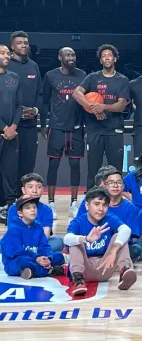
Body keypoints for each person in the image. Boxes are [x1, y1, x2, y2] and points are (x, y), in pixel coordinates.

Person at [72, 44, 129, 190]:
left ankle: (116, 200)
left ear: (115, 58)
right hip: (94, 130)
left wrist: (103, 107)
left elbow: (121, 106)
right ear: (100, 60)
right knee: (93, 170)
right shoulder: (92, 77)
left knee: (115, 170)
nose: (107, 58)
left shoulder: (122, 80)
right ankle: (91, 199)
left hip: (114, 130)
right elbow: (76, 93)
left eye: (109, 55)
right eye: (103, 56)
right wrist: (91, 107)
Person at [64, 187, 137, 296]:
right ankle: (78, 280)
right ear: (87, 206)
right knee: (75, 242)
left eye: (105, 205)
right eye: (97, 204)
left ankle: (125, 270)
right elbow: (66, 239)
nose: (101, 209)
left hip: (105, 266)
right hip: (85, 270)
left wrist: (113, 251)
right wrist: (85, 239)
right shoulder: (78, 221)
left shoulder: (109, 218)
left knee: (120, 235)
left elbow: (126, 230)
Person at [42, 47, 86, 219]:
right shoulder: (50, 76)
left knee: (75, 166)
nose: (71, 57)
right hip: (56, 126)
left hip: (76, 127)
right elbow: (45, 101)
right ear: (60, 57)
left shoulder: (83, 76)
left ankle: (73, 203)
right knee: (53, 165)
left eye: (73, 54)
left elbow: (87, 102)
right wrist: (44, 124)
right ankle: (51, 203)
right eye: (67, 55)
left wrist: (86, 126)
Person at [8, 31, 42, 198]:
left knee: (27, 165)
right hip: (10, 126)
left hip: (30, 125)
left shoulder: (33, 66)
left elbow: (40, 94)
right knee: (8, 166)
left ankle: (24, 200)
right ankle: (7, 202)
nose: (23, 45)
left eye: (26, 43)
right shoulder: (6, 66)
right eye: (19, 43)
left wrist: (35, 110)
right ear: (12, 46)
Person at [1, 195, 65, 279]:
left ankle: (33, 271)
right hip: (15, 261)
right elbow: (16, 252)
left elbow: (44, 245)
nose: (32, 210)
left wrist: (47, 258)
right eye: (28, 208)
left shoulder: (38, 226)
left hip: (36, 257)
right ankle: (49, 271)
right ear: (20, 213)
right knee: (23, 261)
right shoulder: (14, 228)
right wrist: (36, 258)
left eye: (34, 207)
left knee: (58, 256)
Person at [8, 173, 63, 252]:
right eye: (30, 187)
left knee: (58, 241)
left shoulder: (47, 210)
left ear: (43, 190)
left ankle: (32, 254)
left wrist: (34, 246)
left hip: (39, 244)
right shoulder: (14, 208)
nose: (34, 191)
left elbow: (46, 233)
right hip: (20, 243)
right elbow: (13, 233)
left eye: (38, 187)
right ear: (23, 190)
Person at [0, 44, 22, 223]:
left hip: (12, 133)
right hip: (3, 131)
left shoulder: (14, 78)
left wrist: (13, 126)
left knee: (10, 171)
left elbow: (19, 105)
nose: (6, 55)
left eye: (8, 53)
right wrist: (3, 127)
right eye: (2, 53)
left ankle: (8, 207)